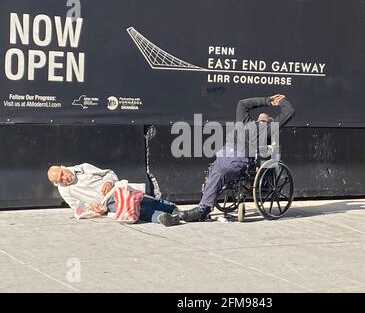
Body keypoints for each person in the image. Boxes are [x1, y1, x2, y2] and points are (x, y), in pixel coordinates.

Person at [181, 94, 295, 222]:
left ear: (270, 121)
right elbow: (242, 103)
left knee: (220, 171)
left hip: (240, 158)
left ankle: (203, 208)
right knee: (214, 169)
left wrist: (283, 101)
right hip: (226, 153)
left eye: (266, 117)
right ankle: (203, 206)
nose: (263, 116)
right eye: (261, 116)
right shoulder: (244, 121)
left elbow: (289, 112)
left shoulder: (268, 129)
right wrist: (268, 101)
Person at [47, 163, 181, 226]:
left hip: (115, 189)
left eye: (62, 174)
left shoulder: (83, 168)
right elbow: (78, 208)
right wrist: (92, 208)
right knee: (132, 210)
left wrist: (108, 182)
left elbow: (108, 173)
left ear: (62, 167)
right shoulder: (64, 190)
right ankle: (161, 218)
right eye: (60, 180)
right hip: (107, 204)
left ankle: (172, 209)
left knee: (143, 200)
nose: (65, 178)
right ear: (57, 183)